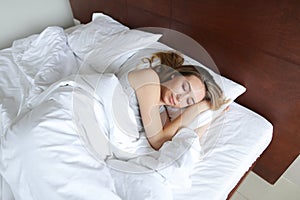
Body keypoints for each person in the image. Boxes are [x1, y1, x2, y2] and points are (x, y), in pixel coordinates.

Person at [118, 51, 229, 150]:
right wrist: (197, 108)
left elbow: (173, 145)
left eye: (189, 101)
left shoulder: (161, 111)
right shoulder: (150, 78)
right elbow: (157, 141)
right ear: (174, 75)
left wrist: (210, 117)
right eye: (184, 87)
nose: (180, 98)